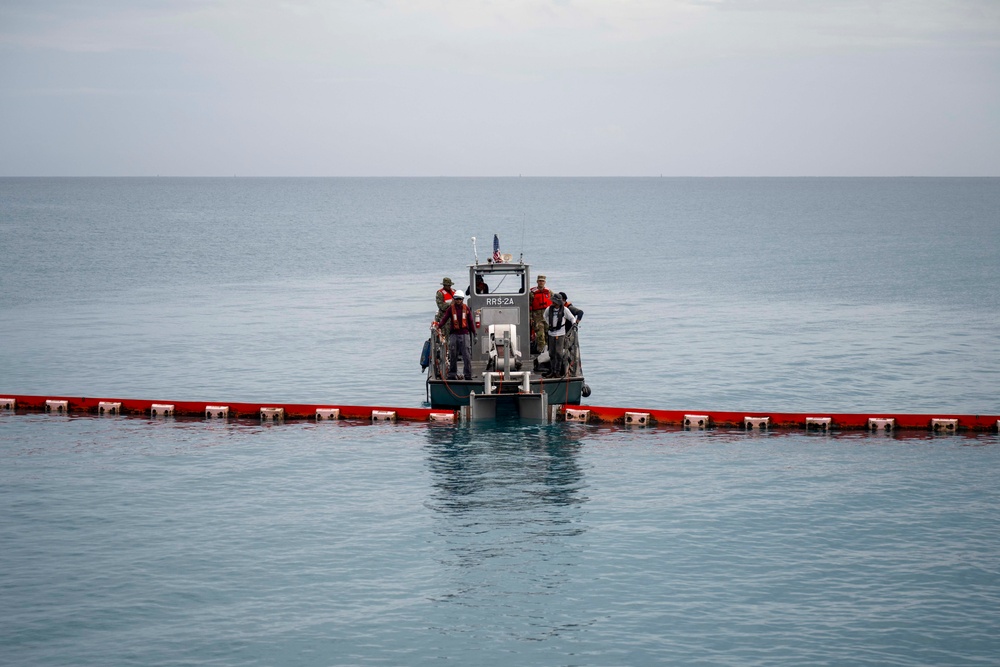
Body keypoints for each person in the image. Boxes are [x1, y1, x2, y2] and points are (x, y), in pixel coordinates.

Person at [434, 290, 479, 380]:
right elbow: (444, 319)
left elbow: (470, 322)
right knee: (453, 354)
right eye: (456, 299)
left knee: (466, 355)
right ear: (454, 299)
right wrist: (438, 326)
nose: (458, 301)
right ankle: (452, 374)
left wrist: (475, 334)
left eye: (460, 299)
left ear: (462, 299)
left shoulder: (466, 309)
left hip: (465, 335)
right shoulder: (451, 309)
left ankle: (467, 374)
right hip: (454, 335)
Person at [542, 292, 577, 378]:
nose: (553, 303)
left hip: (560, 334)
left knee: (559, 353)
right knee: (551, 353)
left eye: (554, 302)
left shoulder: (565, 310)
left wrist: (574, 324)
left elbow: (572, 318)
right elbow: (544, 316)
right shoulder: (548, 309)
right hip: (551, 334)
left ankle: (557, 371)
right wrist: (549, 324)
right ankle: (552, 371)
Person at [529, 274, 552, 352]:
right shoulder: (532, 293)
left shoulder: (549, 292)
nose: (541, 282)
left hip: (547, 316)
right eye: (540, 281)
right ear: (537, 281)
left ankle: (549, 351)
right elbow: (529, 306)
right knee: (540, 336)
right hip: (537, 317)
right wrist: (530, 318)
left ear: (545, 282)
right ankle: (541, 352)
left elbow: (554, 303)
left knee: (548, 335)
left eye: (542, 281)